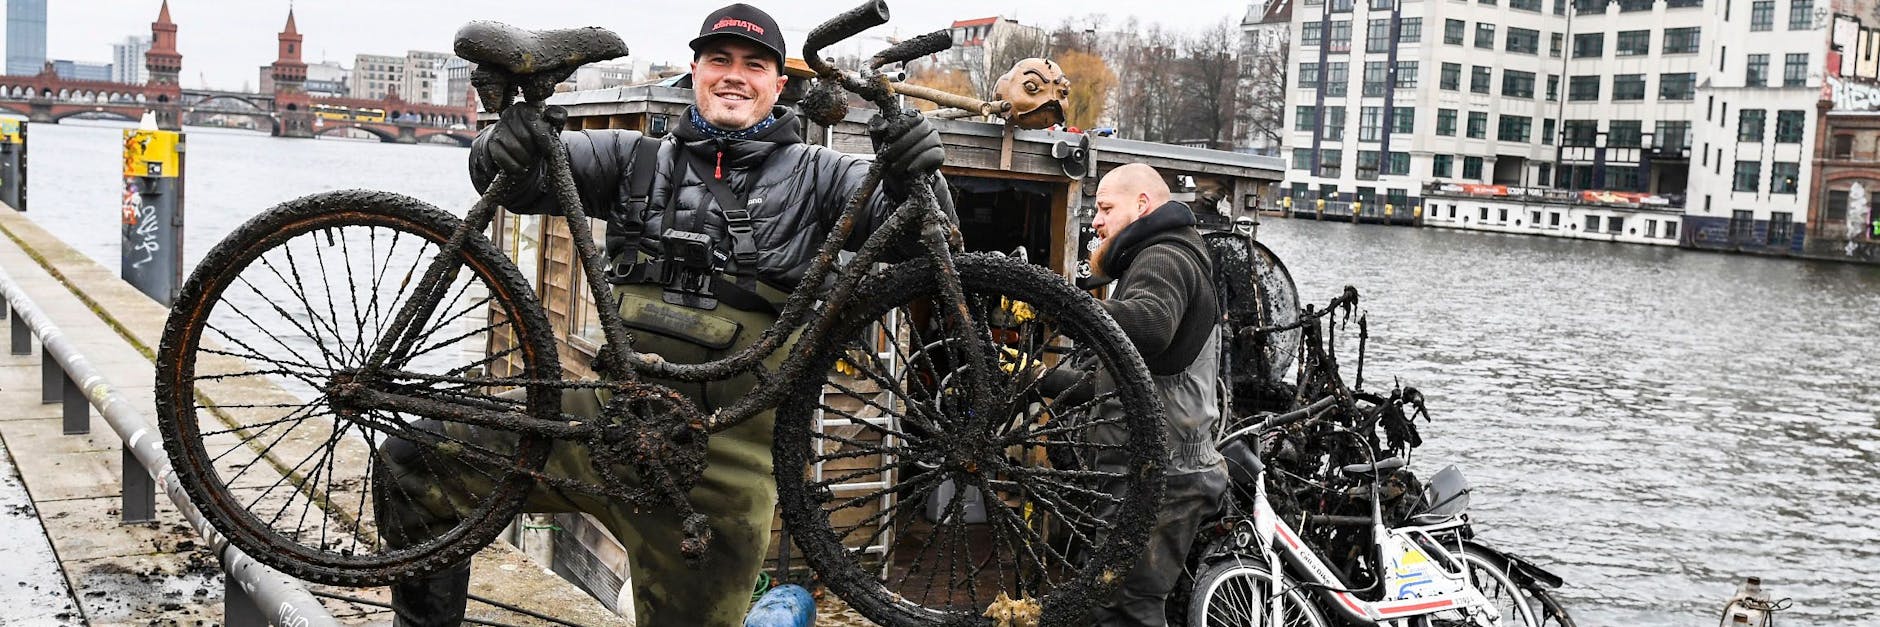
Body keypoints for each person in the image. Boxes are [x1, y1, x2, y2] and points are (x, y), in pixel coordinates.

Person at [375, 4, 948, 626]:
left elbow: (925, 240)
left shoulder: (826, 176)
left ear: (778, 85)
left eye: (754, 65)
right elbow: (525, 178)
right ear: (695, 71)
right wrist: (497, 146)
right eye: (719, 60)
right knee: (412, 462)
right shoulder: (635, 157)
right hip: (601, 424)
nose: (735, 75)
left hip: (722, 466)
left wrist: (920, 173)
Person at [1086, 163, 1229, 627]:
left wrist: (1063, 305)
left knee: (1126, 608)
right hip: (1158, 468)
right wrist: (1036, 379)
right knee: (1111, 600)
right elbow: (1135, 376)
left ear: (1143, 205)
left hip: (1163, 474)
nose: (1095, 221)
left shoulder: (1163, 256)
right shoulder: (1167, 256)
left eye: (1105, 208)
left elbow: (1148, 326)